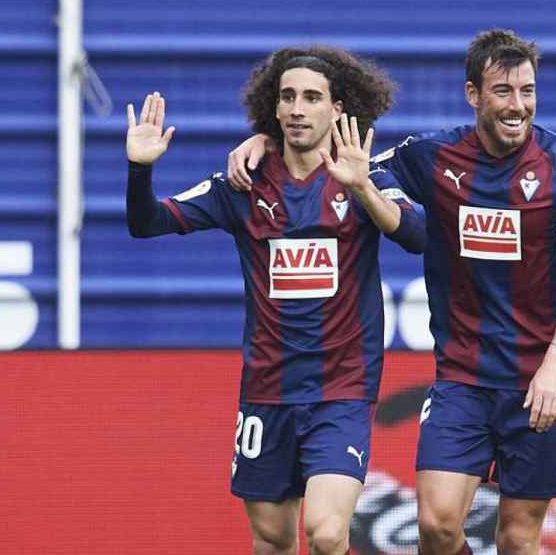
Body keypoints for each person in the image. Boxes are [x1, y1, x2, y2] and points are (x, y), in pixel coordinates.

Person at [227, 29, 556, 555]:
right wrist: (267, 139)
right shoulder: (432, 155)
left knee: (518, 538)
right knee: (437, 524)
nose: (519, 106)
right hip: (463, 377)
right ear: (474, 94)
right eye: (504, 92)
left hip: (540, 377)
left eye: (528, 92)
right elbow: (350, 161)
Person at [126, 46, 425, 555]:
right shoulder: (243, 184)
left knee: (328, 535)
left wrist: (364, 191)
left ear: (337, 109)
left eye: (312, 97)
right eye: (287, 97)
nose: (297, 108)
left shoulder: (365, 176)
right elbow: (146, 222)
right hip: (267, 392)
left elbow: (417, 234)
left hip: (342, 390)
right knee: (272, 540)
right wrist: (140, 169)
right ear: (274, 107)